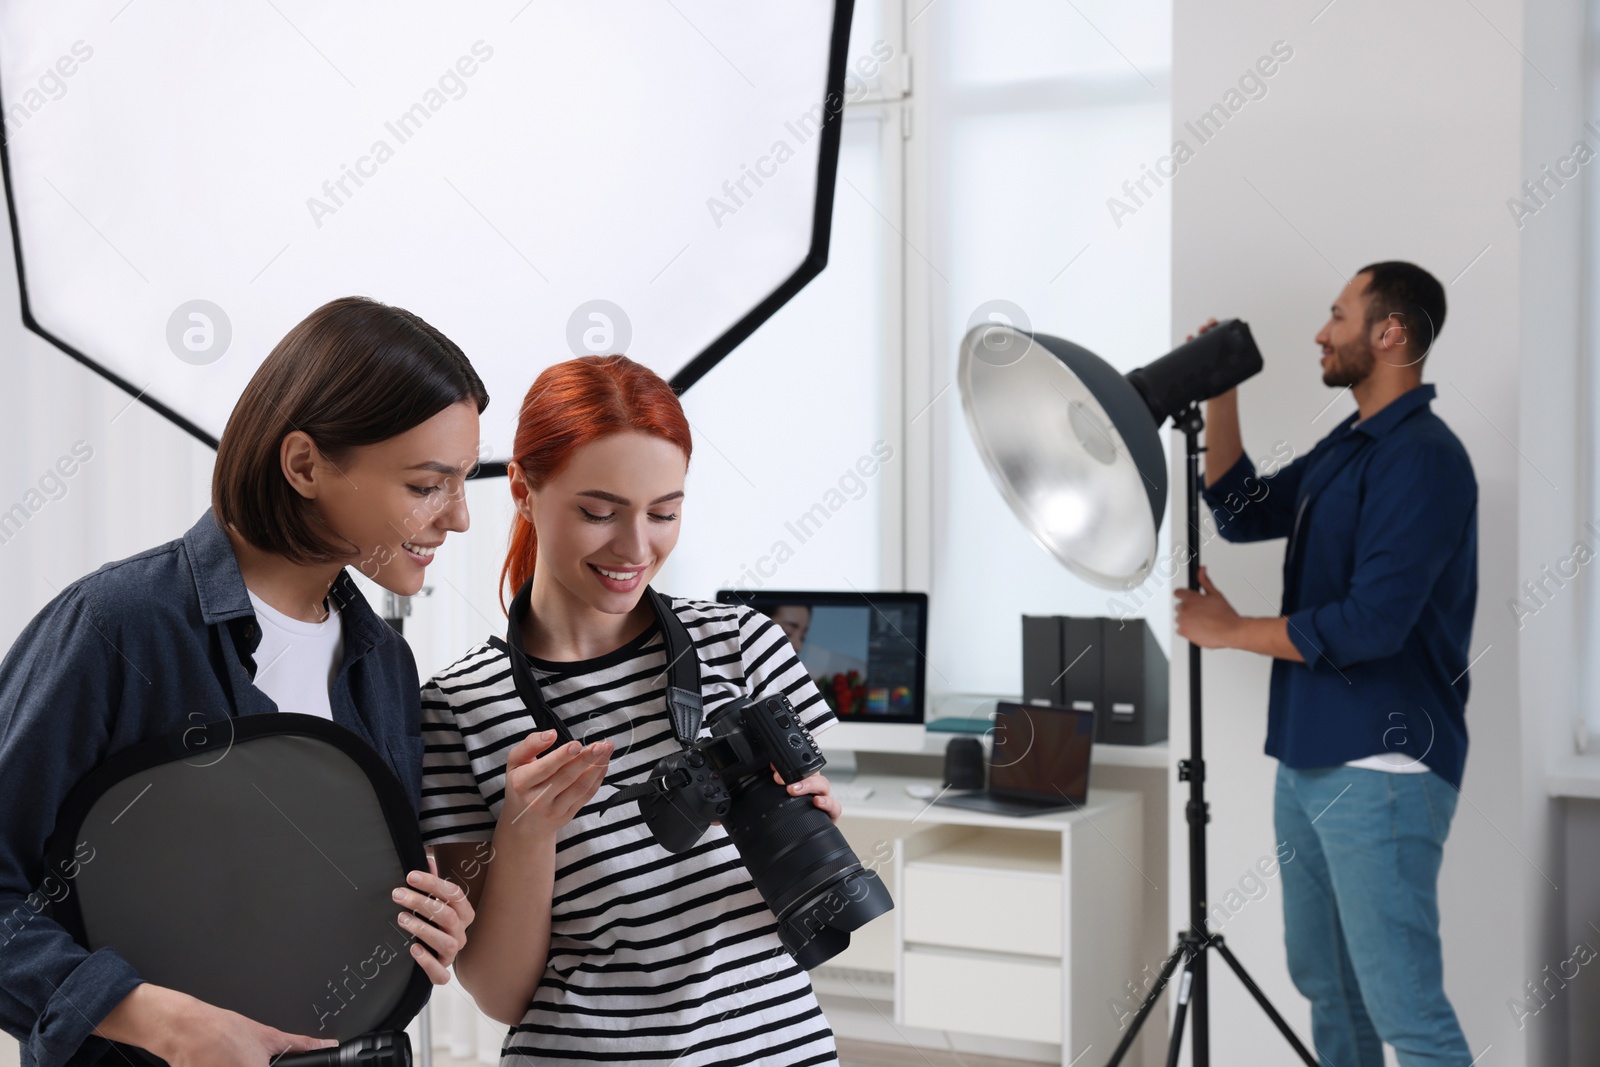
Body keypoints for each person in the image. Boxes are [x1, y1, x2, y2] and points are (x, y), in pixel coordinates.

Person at [0, 296, 485, 1067]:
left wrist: (424, 922)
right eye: (428, 484)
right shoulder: (119, 625)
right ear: (304, 465)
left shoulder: (386, 664)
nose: (458, 518)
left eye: (465, 480)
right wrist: (158, 1019)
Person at [419, 354, 844, 1065]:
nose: (635, 547)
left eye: (664, 512)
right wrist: (526, 836)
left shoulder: (744, 644)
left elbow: (804, 900)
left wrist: (814, 815)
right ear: (523, 488)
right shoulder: (457, 706)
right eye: (597, 511)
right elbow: (500, 994)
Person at [1173, 262, 1477, 1066]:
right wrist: (1220, 389)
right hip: (1308, 754)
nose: (1320, 331)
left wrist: (1232, 629)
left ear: (1391, 332)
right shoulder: (1350, 447)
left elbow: (1374, 624)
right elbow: (1240, 510)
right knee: (1329, 988)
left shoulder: (1422, 458)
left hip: (1383, 762)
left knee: (1405, 1009)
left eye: (1338, 315)